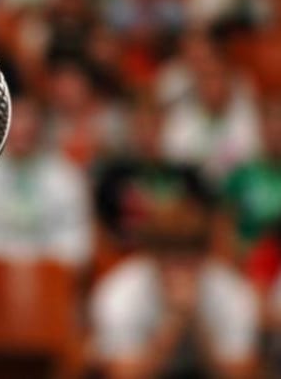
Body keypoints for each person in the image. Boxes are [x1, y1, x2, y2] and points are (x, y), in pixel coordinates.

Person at [90, 195, 259, 378]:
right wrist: (173, 322)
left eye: (190, 262)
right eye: (169, 262)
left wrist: (197, 323)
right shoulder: (120, 293)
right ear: (151, 257)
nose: (180, 273)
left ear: (205, 257)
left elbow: (241, 374)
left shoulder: (232, 292)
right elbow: (123, 375)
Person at [0, 96, 92, 270]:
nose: (21, 127)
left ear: (41, 124)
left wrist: (32, 264)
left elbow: (77, 245)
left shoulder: (66, 177)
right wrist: (9, 263)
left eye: (28, 118)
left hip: (49, 281)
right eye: (16, 117)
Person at [95, 99, 213, 253]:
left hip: (178, 257)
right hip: (127, 254)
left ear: (163, 126)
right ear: (130, 129)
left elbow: (206, 223)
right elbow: (102, 229)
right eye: (140, 125)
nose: (146, 134)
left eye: (152, 125)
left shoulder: (187, 175)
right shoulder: (113, 176)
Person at [162, 54, 261, 184]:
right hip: (194, 189)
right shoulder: (181, 118)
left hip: (239, 188)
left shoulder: (248, 116)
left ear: (229, 83)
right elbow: (175, 157)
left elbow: (252, 157)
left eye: (218, 78)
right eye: (206, 79)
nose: (212, 86)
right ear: (197, 85)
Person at [222, 100, 281, 290]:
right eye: (270, 122)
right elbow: (222, 226)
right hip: (246, 264)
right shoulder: (242, 175)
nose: (276, 130)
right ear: (261, 127)